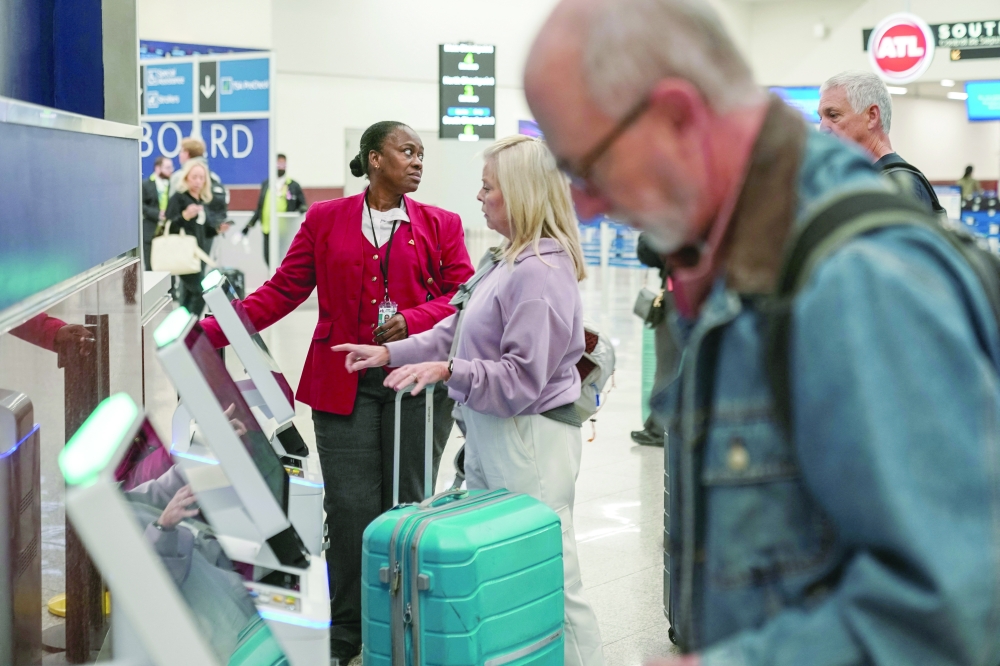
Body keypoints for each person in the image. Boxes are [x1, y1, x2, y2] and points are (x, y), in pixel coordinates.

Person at [525, 0, 1000, 665]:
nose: (588, 206)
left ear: (677, 114)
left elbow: (954, 612)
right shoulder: (736, 257)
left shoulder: (852, 279)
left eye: (588, 168)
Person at [197, 121, 475, 666]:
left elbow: (462, 297)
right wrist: (210, 331)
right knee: (349, 509)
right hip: (341, 384)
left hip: (414, 384)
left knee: (407, 502)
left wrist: (414, 321)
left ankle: (402, 620)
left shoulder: (442, 224)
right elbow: (283, 290)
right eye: (406, 151)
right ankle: (349, 627)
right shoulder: (326, 220)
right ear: (374, 159)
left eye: (421, 153)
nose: (418, 161)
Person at [335, 135, 606, 666]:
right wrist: (388, 352)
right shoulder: (505, 261)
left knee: (550, 572)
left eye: (488, 188)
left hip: (528, 438)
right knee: (505, 566)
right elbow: (454, 330)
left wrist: (452, 370)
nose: (479, 197)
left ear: (521, 194)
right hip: (492, 432)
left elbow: (522, 378)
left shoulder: (540, 274)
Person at [819, 71, 942, 213]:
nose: (822, 128)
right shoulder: (861, 179)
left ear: (872, 116)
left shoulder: (900, 185)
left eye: (833, 115)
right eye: (820, 118)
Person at [631, 232, 678, 447]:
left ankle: (660, 427)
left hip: (678, 290)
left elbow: (647, 252)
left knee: (668, 362)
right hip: (688, 287)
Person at [164, 160, 213, 317]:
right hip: (183, 253)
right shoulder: (179, 198)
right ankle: (191, 326)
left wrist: (217, 229)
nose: (198, 181)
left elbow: (202, 230)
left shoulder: (201, 200)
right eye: (194, 177)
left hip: (197, 253)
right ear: (186, 178)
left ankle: (185, 328)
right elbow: (169, 225)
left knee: (190, 295)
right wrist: (185, 216)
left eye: (201, 177)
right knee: (200, 291)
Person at [243, 153, 309, 267]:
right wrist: (250, 224)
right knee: (268, 258)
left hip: (284, 231)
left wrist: (301, 209)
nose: (280, 166)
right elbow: (260, 207)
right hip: (268, 229)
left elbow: (302, 204)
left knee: (283, 259)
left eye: (283, 163)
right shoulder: (267, 184)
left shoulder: (293, 185)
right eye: (278, 163)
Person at [142, 156, 173, 271]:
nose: (171, 170)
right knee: (150, 266)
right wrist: (157, 214)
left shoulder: (173, 185)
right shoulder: (146, 185)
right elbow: (141, 205)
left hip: (168, 232)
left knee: (170, 267)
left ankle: (171, 289)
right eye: (167, 167)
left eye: (171, 167)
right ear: (157, 168)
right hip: (151, 230)